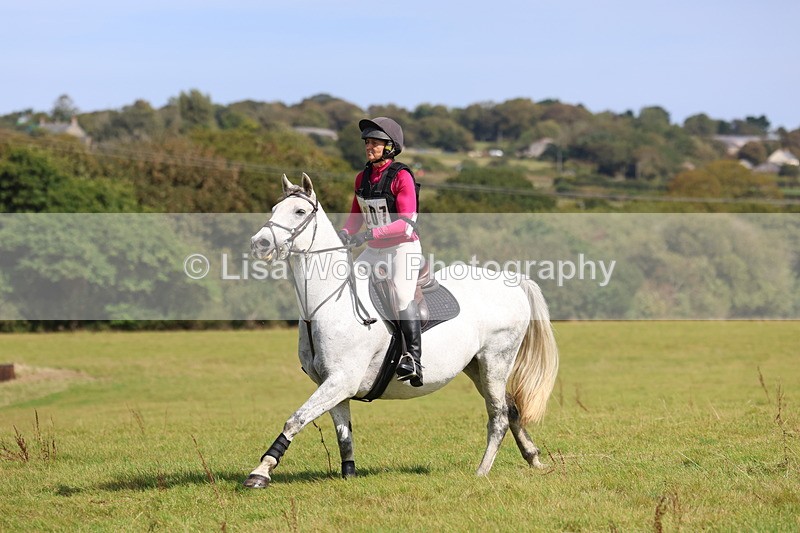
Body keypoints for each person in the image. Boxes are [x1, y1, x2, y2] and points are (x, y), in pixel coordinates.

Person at [338, 117, 424, 387]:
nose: (369, 146)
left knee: (401, 295)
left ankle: (413, 359)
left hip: (402, 247)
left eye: (375, 142)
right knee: (345, 285)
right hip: (374, 250)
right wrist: (344, 234)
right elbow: (355, 217)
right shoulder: (362, 178)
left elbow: (406, 222)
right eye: (367, 142)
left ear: (390, 147)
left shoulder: (402, 176)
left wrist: (369, 235)